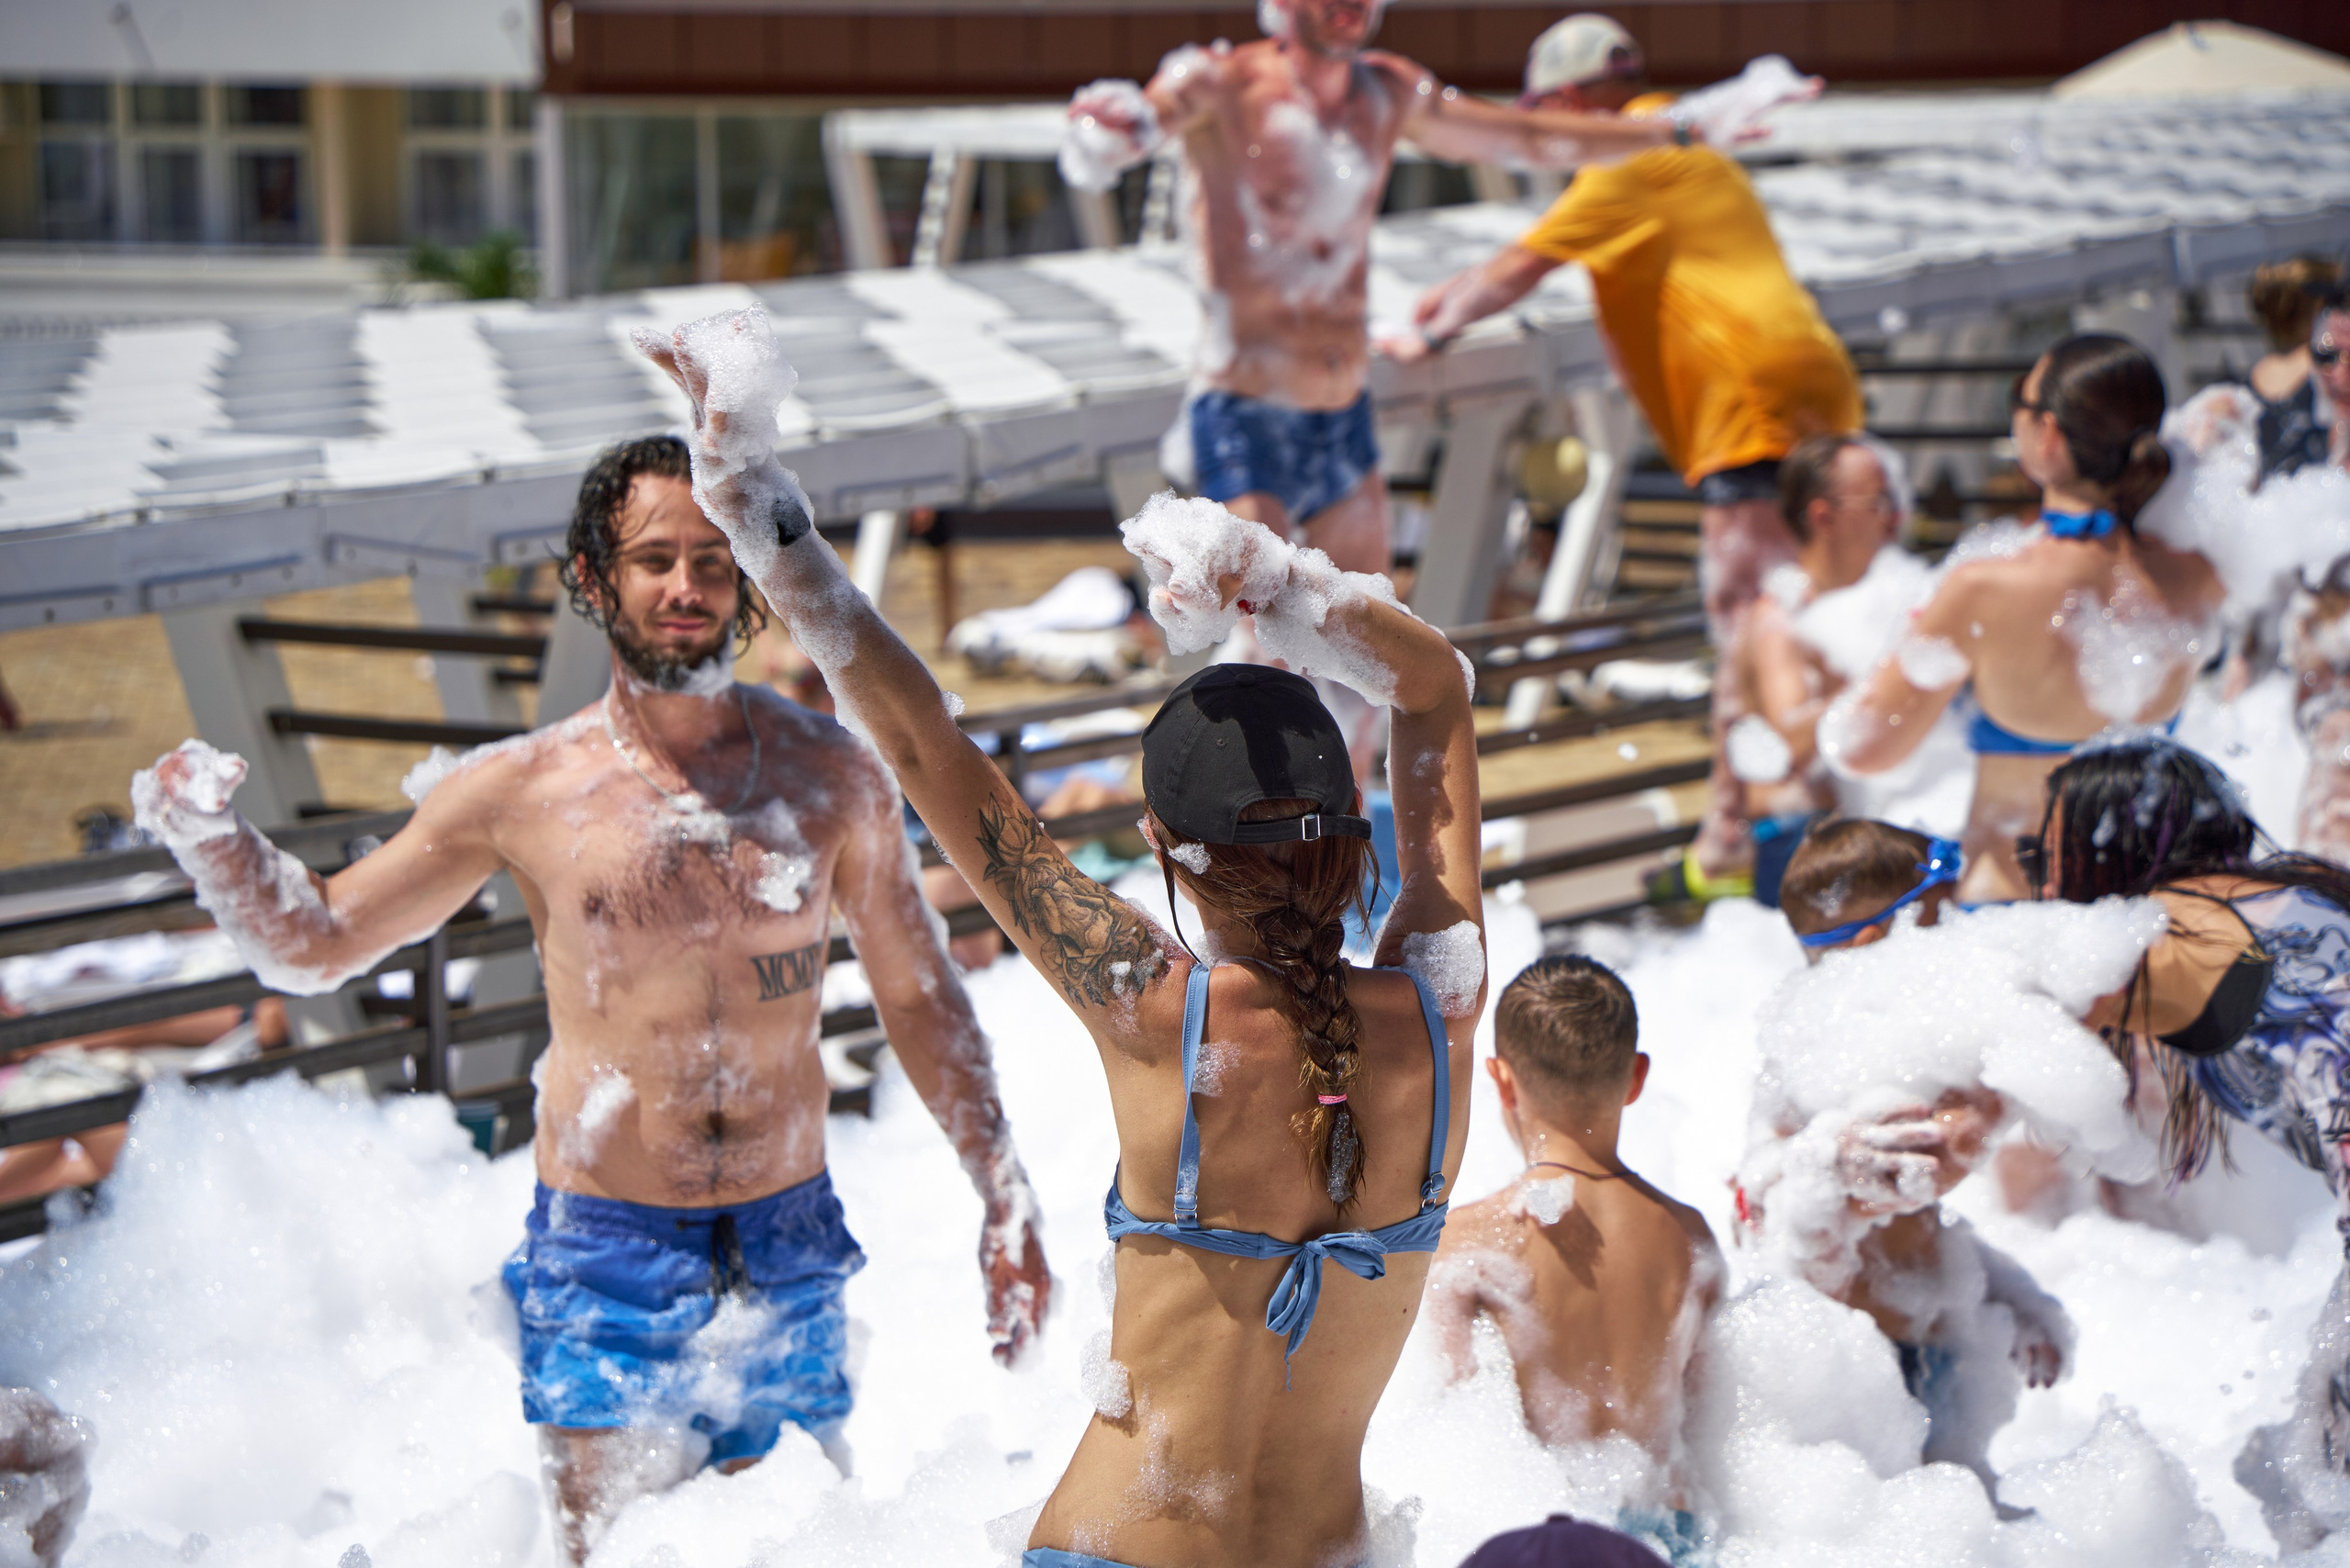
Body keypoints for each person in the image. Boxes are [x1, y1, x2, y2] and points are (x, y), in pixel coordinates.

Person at [639, 308, 1486, 1568]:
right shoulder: (1441, 1010)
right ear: (1349, 840)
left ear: (1157, 842)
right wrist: (1291, 588)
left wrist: (760, 509)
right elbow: (1437, 694)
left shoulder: (1154, 1008)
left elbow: (928, 747)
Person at [126, 432, 1050, 1566]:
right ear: (590, 579)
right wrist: (211, 841)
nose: (685, 587)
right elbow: (319, 939)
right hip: (606, 1250)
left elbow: (920, 996)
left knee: (801, 1547)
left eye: (714, 561)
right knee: (607, 1555)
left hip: (786, 1235)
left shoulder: (831, 777)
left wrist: (1001, 1190)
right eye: (653, 558)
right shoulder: (524, 789)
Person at [1057, 0, 1793, 576]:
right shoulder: (1219, 81)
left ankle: (1350, 775)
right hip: (1245, 411)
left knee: (1369, 664)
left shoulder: (1386, 89)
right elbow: (1140, 123)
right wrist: (1110, 131)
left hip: (1344, 414)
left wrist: (1684, 126)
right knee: (1264, 659)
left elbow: (1526, 140)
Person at [1398, 13, 1854, 642]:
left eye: (1542, 120)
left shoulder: (1624, 160)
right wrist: (1443, 293)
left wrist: (1422, 336)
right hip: (1817, 379)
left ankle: (1763, 732)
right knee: (1824, 604)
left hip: (1747, 401)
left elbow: (1514, 271)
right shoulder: (1690, 150)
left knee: (1751, 617)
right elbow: (1520, 253)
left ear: (1565, 103)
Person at [2020, 737, 2350, 1551]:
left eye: (2045, 857)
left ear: (2113, 854)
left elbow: (2007, 1016)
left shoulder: (2183, 935)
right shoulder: (2279, 900)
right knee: (2313, 1487)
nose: (2043, 887)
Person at [1818, 333, 2224, 903]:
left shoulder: (1982, 588)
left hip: (2014, 903)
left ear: (2050, 435)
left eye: (2021, 401)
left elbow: (1866, 749)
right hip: (2148, 905)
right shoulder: (2197, 575)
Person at [1765, 820, 2069, 1494]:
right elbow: (1838, 1215)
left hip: (1920, 1349)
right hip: (1874, 1371)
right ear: (1880, 942)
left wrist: (2008, 1296)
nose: (1953, 934)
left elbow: (1911, 1224)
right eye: (1935, 922)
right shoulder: (1839, 1076)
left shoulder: (1843, 1049)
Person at [1423, 957, 1721, 1550]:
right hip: (1667, 1537)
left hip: (1544, 1542)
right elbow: (1707, 1412)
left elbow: (1452, 1419)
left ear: (1501, 1079)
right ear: (1636, 1078)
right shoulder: (1692, 1239)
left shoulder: (1468, 1242)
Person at [1674, 433, 1907, 904]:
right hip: (1803, 843)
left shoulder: (1856, 604)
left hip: (1848, 832)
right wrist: (1887, 673)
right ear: (1824, 516)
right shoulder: (1782, 619)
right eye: (1877, 501)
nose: (1894, 517)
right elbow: (1789, 745)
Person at [2244, 256, 2343, 483]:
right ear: (2321, 306)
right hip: (2326, 509)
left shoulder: (2254, 376)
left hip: (2269, 510)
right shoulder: (2330, 369)